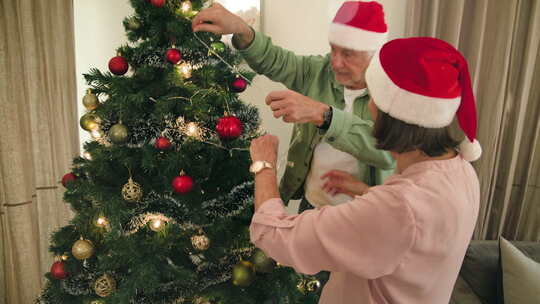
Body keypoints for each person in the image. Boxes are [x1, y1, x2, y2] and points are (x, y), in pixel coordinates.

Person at [248, 37, 482, 303]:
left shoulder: (399, 208)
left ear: (390, 113)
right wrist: (366, 191)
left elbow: (275, 235)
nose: (368, 105)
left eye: (373, 95)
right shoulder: (461, 170)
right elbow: (417, 232)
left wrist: (264, 165)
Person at [192, 1, 395, 212]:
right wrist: (242, 29)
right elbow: (275, 60)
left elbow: (388, 152)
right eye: (333, 50)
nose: (335, 62)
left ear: (373, 53)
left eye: (347, 54)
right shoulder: (319, 70)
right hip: (310, 206)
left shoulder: (392, 92)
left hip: (364, 215)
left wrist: (324, 115)